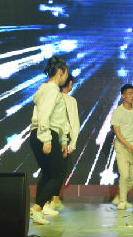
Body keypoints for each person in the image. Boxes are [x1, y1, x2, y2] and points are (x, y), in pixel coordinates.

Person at [28, 56, 71, 226]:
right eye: (66, 73)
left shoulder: (46, 89)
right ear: (60, 72)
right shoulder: (52, 89)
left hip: (40, 134)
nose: (66, 77)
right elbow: (45, 115)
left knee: (48, 174)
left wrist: (63, 141)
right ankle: (37, 208)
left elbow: (58, 119)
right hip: (45, 134)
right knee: (58, 175)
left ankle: (42, 207)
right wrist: (47, 139)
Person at [111, 83, 133, 211]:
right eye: (129, 94)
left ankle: (119, 196)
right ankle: (123, 201)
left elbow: (131, 127)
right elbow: (117, 133)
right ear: (123, 96)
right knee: (124, 175)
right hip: (122, 147)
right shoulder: (117, 112)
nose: (132, 96)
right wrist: (129, 146)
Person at [51, 73, 79, 211]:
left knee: (50, 170)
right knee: (60, 170)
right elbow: (74, 122)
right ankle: (53, 200)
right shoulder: (70, 100)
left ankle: (50, 200)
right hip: (62, 138)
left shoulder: (52, 97)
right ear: (70, 83)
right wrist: (73, 143)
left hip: (48, 136)